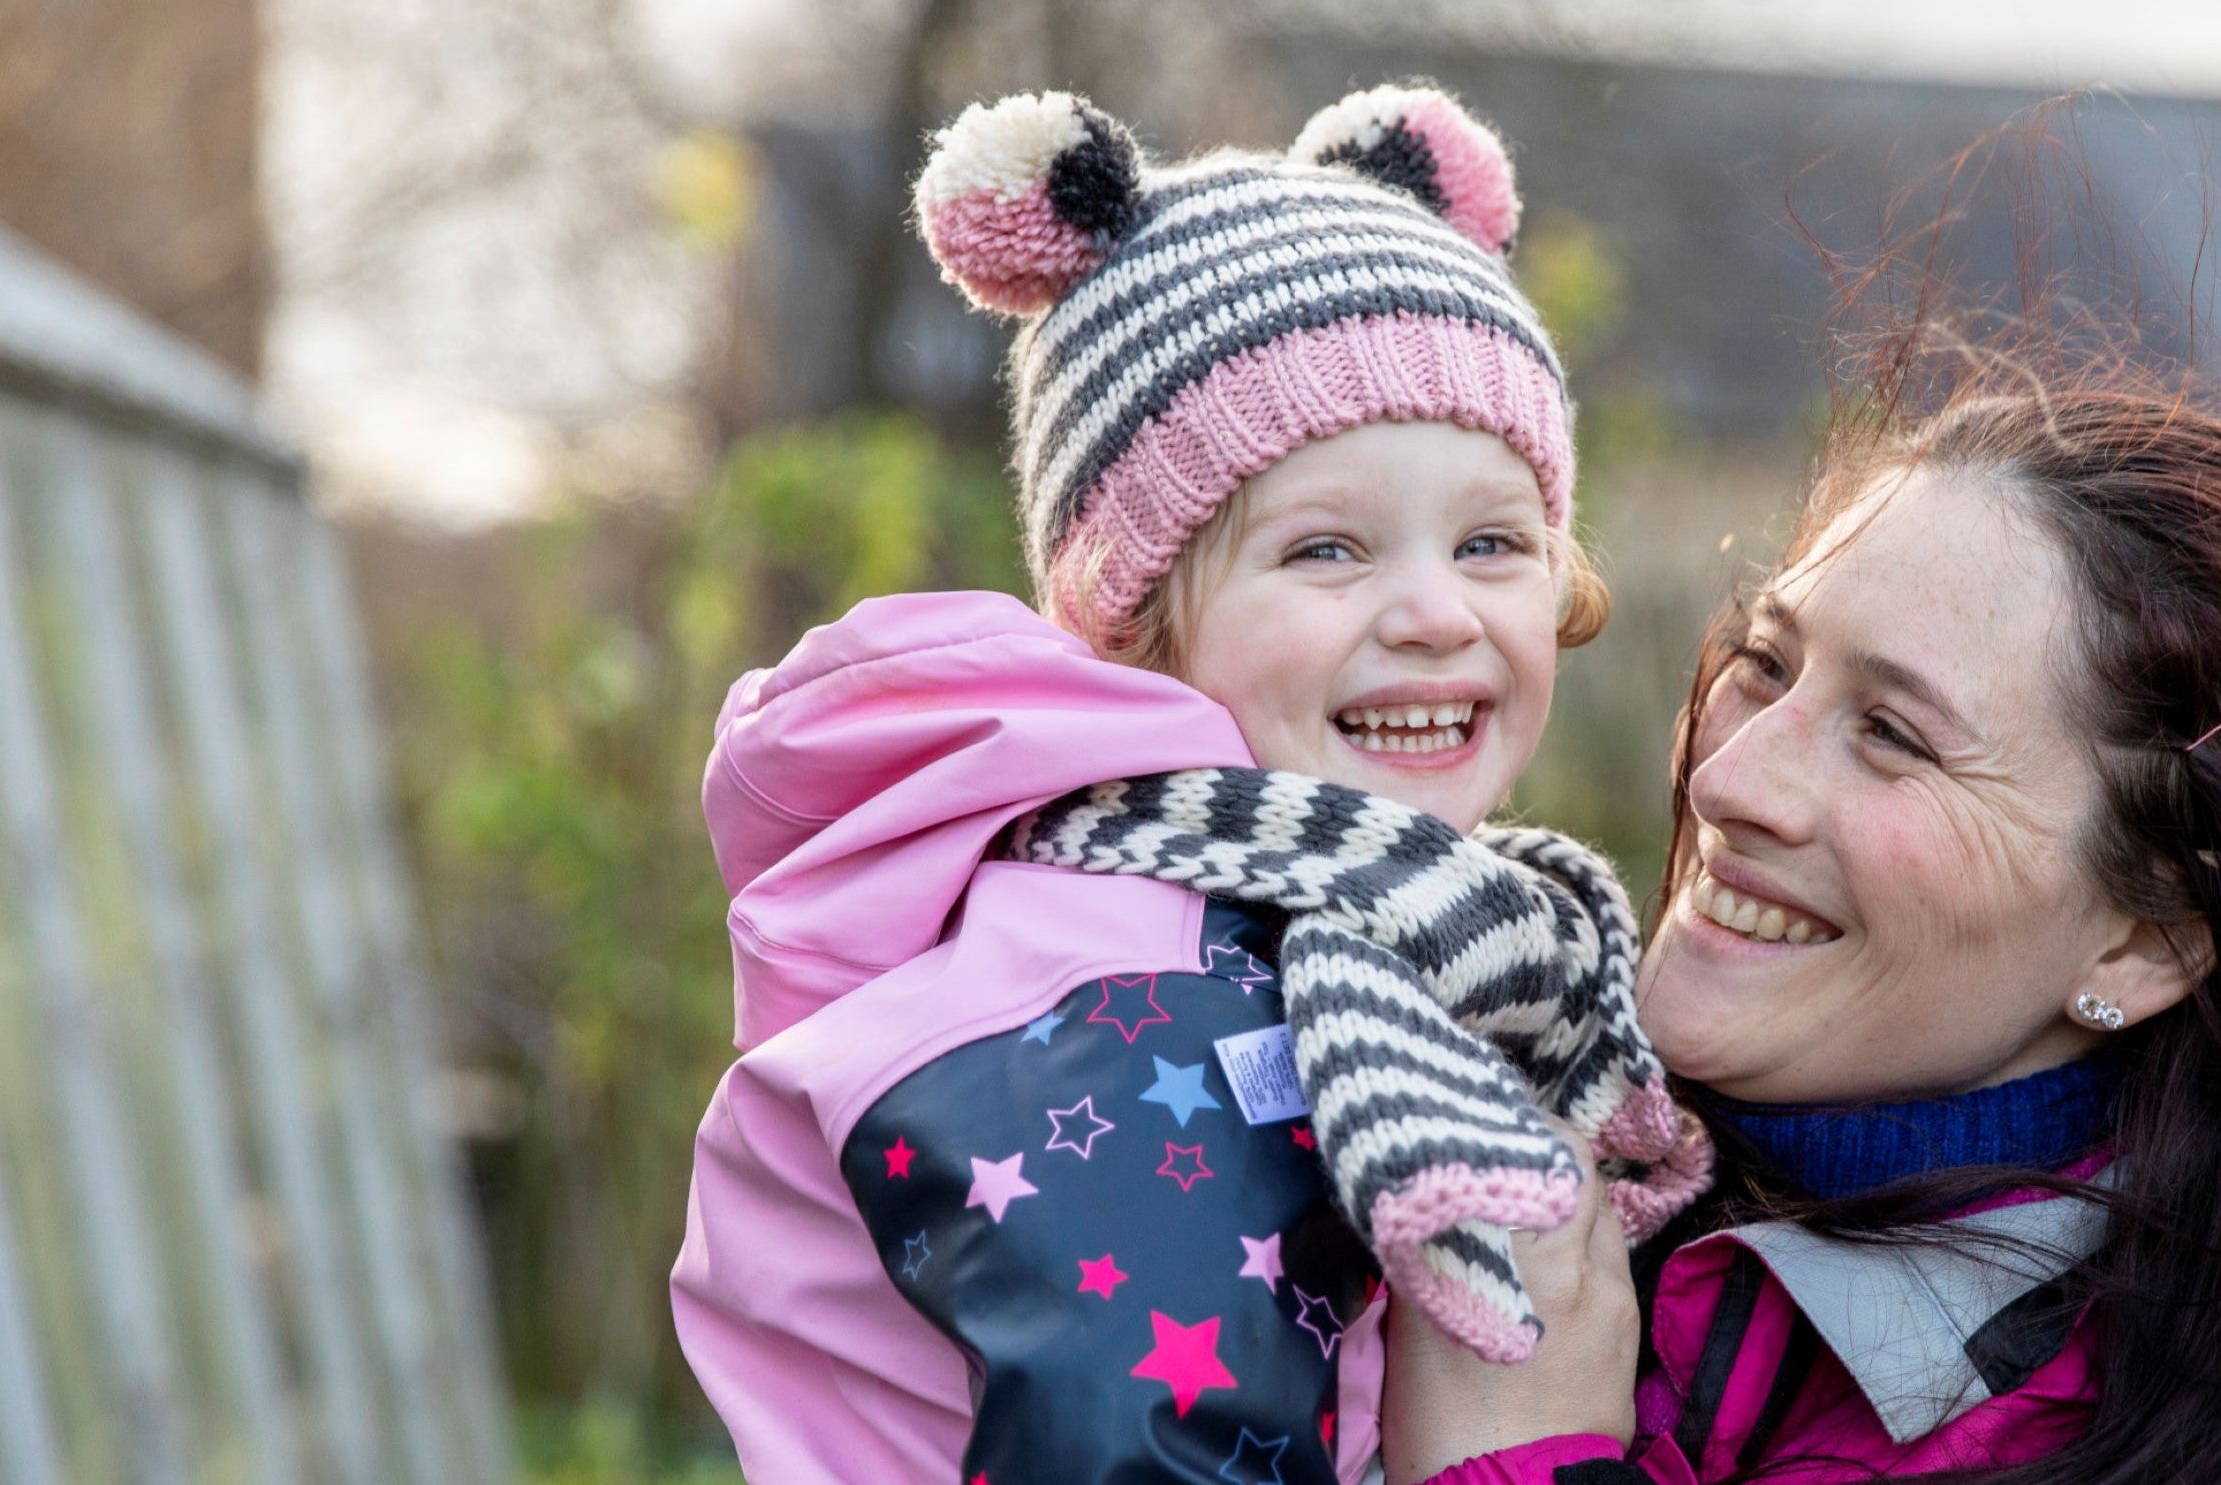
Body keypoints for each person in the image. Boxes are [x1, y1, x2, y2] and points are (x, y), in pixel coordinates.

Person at [669, 82, 1701, 1485]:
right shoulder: (1126, 1015)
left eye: (1494, 544)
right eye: (1326, 551)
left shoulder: (1401, 930)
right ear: (1130, 614)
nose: (1436, 615)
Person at [1384, 329, 2221, 1483]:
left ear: (2152, 937)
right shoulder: (1500, 1120)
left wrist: (1511, 1459)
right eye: (1768, 662)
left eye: (1892, 736)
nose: (1722, 779)